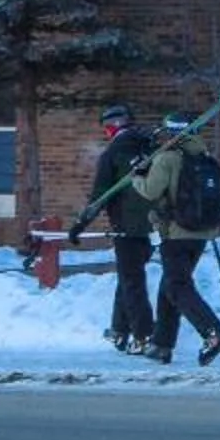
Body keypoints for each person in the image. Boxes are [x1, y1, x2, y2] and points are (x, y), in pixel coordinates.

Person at [136, 116, 220, 366]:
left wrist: (136, 175)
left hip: (175, 233)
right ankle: (161, 344)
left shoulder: (167, 158)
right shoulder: (209, 161)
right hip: (201, 235)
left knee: (177, 286)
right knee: (171, 284)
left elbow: (150, 190)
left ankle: (213, 333)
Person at [74, 105, 159, 356]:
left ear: (112, 125)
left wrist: (80, 225)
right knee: (129, 275)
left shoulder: (113, 152)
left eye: (106, 127)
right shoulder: (150, 148)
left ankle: (143, 335)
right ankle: (119, 330)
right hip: (153, 224)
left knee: (132, 281)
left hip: (126, 227)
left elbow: (100, 194)